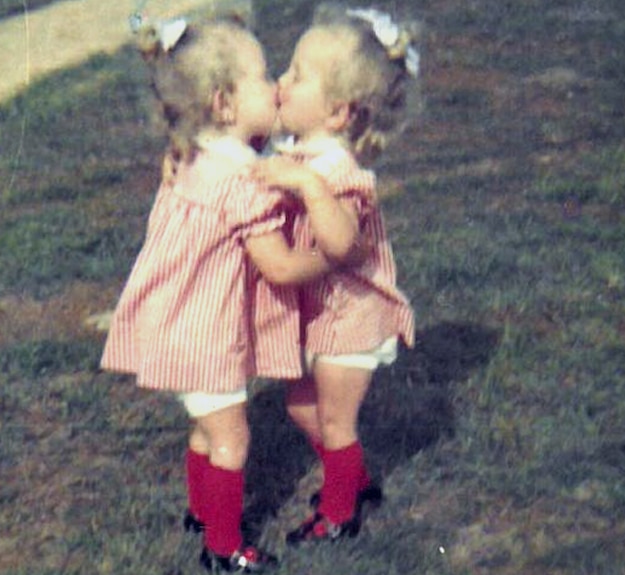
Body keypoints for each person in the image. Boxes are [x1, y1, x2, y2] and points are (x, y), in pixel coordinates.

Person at [100, 12, 347, 573]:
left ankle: (201, 509)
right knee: (233, 440)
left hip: (172, 325)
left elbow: (259, 150)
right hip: (207, 336)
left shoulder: (191, 154)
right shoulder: (242, 184)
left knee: (206, 429)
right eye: (263, 77)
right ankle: (223, 546)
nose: (276, 85)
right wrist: (331, 256)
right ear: (224, 104)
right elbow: (280, 269)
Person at [254, 5, 419, 545]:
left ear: (339, 114)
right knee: (301, 404)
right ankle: (354, 478)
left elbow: (341, 242)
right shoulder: (303, 151)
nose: (280, 83)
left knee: (334, 420)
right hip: (317, 312)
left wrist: (305, 186)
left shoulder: (340, 173)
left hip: (350, 316)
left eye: (296, 76)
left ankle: (339, 513)